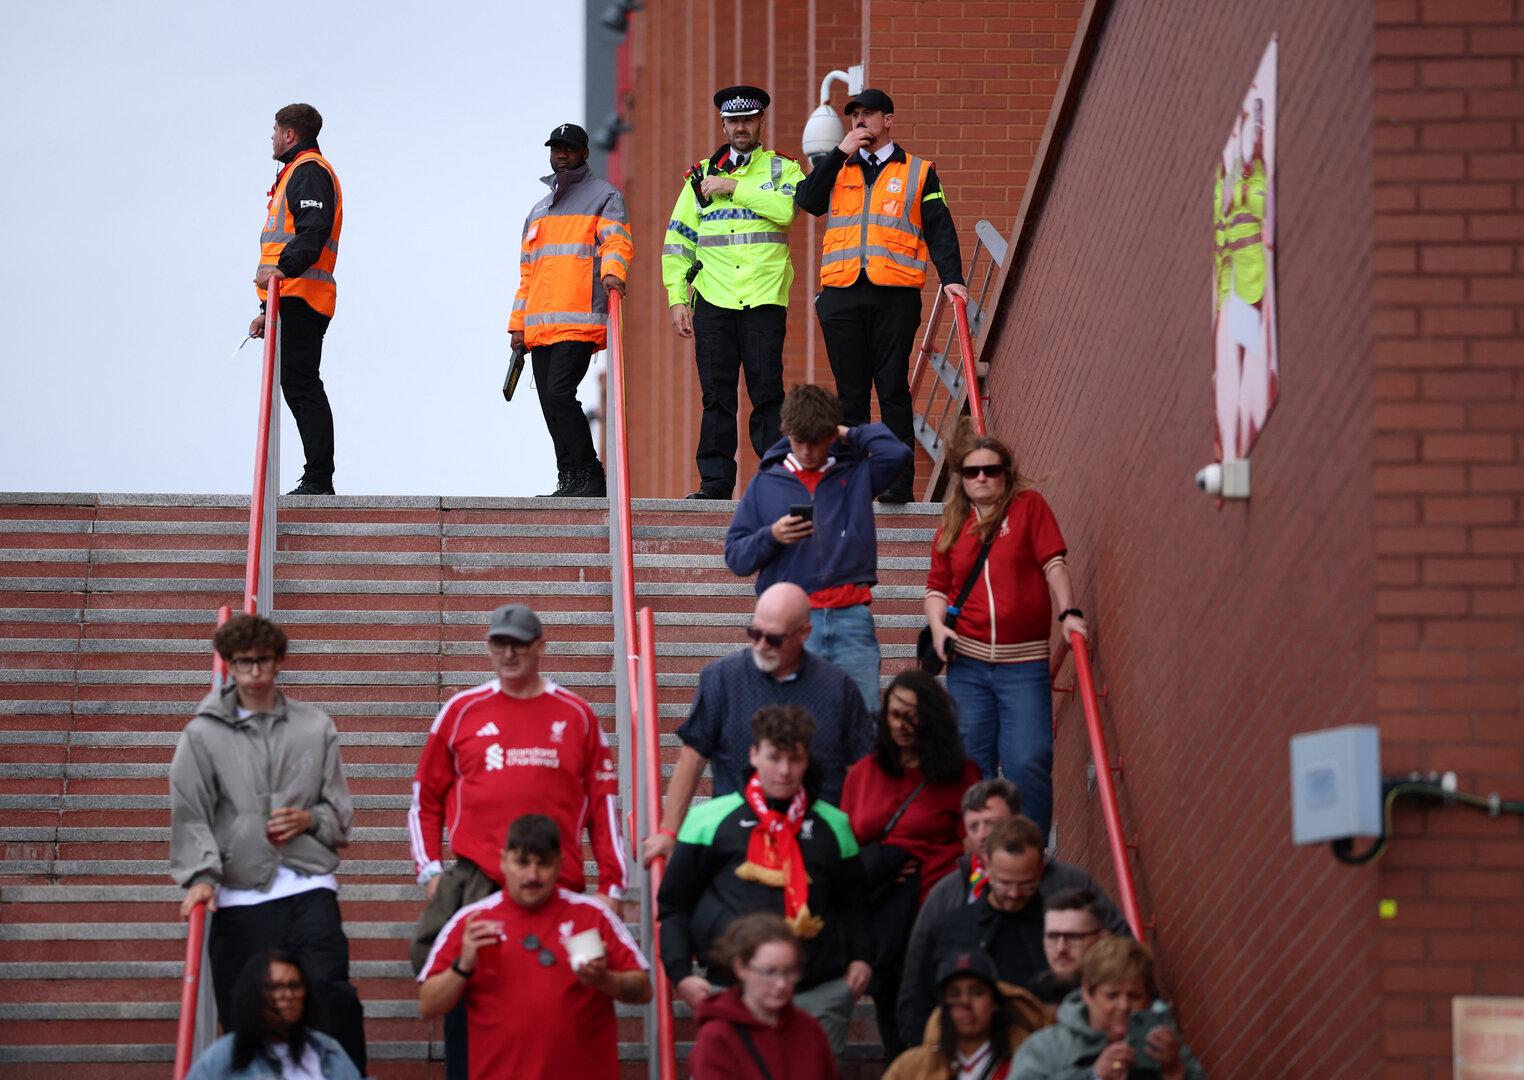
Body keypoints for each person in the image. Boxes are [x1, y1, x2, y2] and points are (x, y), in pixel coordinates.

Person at [408, 603, 628, 1077]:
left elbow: (604, 807)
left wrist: (612, 887)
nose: (508, 654)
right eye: (499, 643)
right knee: (468, 1006)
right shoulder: (461, 710)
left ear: (540, 648)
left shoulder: (578, 715)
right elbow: (425, 796)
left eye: (519, 645)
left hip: (562, 888)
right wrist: (429, 870)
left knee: (571, 1008)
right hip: (477, 886)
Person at [170, 614, 366, 1073]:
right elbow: (189, 809)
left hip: (308, 886)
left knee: (330, 996)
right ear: (229, 666)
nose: (254, 673)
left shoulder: (314, 726)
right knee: (247, 1012)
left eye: (263, 661)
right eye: (243, 663)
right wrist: (200, 876)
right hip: (239, 891)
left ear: (279, 662)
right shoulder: (202, 734)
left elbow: (340, 815)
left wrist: (308, 818)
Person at [657, 705, 872, 1057]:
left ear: (807, 761)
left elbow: (855, 904)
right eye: (774, 757)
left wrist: (862, 958)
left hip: (818, 994)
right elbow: (675, 905)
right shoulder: (707, 820)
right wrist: (681, 972)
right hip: (730, 992)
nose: (784, 771)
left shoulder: (834, 824)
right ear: (754, 754)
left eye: (795, 759)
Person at [793, 87, 969, 504]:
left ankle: (897, 481)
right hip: (841, 293)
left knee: (891, 388)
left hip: (894, 294)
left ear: (888, 120)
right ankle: (855, 481)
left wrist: (952, 278)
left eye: (868, 114)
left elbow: (939, 226)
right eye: (854, 115)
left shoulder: (919, 171)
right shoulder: (838, 166)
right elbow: (808, 201)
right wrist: (838, 152)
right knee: (850, 393)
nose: (859, 121)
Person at [924, 429, 1090, 838]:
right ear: (961, 477)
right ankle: (980, 851)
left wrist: (1068, 613)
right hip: (969, 664)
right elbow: (936, 589)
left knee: (1029, 758)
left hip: (1025, 664)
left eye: (990, 470)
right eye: (971, 471)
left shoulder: (1029, 507)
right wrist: (938, 627)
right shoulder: (952, 523)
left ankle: (1027, 848)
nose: (981, 478)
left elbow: (1053, 562)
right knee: (971, 763)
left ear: (1006, 473)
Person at [639, 582, 872, 868]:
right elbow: (693, 757)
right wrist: (668, 832)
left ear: (804, 634)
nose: (761, 645)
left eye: (773, 639)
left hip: (814, 844)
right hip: (736, 841)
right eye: (755, 633)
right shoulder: (722, 679)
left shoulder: (838, 688)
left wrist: (856, 839)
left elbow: (859, 771)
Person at [419, 815, 652, 1080]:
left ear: (560, 865)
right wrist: (462, 966)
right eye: (522, 862)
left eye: (543, 863)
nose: (532, 875)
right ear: (504, 861)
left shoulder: (593, 915)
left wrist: (605, 980)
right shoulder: (471, 921)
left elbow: (644, 990)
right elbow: (428, 1005)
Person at [724, 383, 912, 707]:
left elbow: (898, 454)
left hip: (851, 616)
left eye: (817, 441)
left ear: (830, 435)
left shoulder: (854, 474)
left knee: (861, 719)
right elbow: (736, 557)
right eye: (799, 442)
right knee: (794, 726)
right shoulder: (765, 483)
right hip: (790, 622)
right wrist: (772, 536)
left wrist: (846, 432)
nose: (808, 451)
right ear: (786, 433)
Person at [662, 85, 805, 499]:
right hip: (713, 298)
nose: (741, 127)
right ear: (723, 124)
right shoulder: (698, 176)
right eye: (734, 120)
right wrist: (676, 296)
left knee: (767, 394)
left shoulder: (782, 169)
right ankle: (715, 485)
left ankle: (778, 482)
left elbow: (785, 212)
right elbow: (678, 240)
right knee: (716, 397)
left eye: (749, 119)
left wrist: (732, 187)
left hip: (763, 297)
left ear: (761, 122)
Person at [839, 669, 981, 1057]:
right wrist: (883, 861)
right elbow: (845, 849)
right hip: (884, 919)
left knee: (940, 1035)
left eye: (912, 716)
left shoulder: (961, 775)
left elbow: (977, 850)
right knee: (896, 1033)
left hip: (938, 918)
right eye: (894, 713)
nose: (901, 724)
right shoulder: (864, 773)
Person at [509, 122, 632, 498]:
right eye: (555, 148)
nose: (561, 154)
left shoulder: (604, 196)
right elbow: (528, 272)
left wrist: (613, 273)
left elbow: (617, 241)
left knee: (561, 394)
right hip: (541, 325)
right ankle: (570, 478)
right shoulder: (539, 209)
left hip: (579, 319)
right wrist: (518, 326)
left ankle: (590, 475)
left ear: (584, 154)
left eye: (569, 149)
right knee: (550, 401)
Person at [251, 103, 343, 496]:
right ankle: (317, 476)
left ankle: (319, 478)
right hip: (289, 296)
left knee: (302, 384)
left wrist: (283, 271)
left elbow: (312, 230)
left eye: (275, 130)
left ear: (290, 135)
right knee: (298, 384)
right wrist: (264, 307)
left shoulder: (308, 173)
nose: (271, 137)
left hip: (302, 295)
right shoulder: (296, 173)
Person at [897, 816, 1050, 1045]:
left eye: (1026, 884)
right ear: (986, 863)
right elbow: (917, 999)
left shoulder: (1056, 931)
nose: (1014, 893)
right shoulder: (949, 928)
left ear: (1041, 868)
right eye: (1005, 882)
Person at [1010, 938, 1207, 1080]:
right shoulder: (1046, 1047)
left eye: (1134, 996)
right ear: (1087, 993)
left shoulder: (1162, 1043)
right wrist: (1093, 1075)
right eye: (1112, 995)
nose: (1124, 1006)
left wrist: (1174, 1072)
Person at [688, 913, 839, 1080]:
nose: (781, 983)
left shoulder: (809, 1029)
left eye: (789, 971)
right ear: (740, 968)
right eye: (769, 972)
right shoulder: (717, 1036)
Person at [186, 950, 362, 1080]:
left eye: (294, 986)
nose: (287, 995)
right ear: (253, 995)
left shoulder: (328, 1049)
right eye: (274, 987)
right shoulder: (224, 1056)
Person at [883, 950, 1049, 1080]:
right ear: (943, 1006)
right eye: (954, 994)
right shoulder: (911, 1067)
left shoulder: (1027, 1064)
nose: (965, 1003)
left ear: (995, 1002)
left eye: (976, 992)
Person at [1027, 888, 1112, 1008]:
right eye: (1053, 937)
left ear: (1102, 939)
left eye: (1074, 937)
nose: (1061, 948)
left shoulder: (1125, 994)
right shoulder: (1029, 1000)